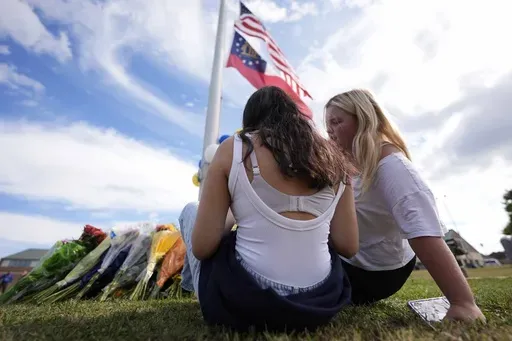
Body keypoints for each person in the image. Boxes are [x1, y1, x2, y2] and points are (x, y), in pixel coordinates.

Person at [179, 86, 358, 332]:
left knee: (190, 210)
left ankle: (192, 291)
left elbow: (202, 246)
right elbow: (348, 246)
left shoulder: (234, 148)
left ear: (250, 121)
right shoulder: (335, 158)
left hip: (247, 301)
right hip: (319, 302)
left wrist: (232, 215)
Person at [325, 89, 485, 322]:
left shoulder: (392, 166)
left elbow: (423, 230)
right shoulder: (351, 166)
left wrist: (462, 302)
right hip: (358, 265)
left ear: (364, 121)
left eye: (337, 122)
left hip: (375, 273)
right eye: (327, 124)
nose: (329, 130)